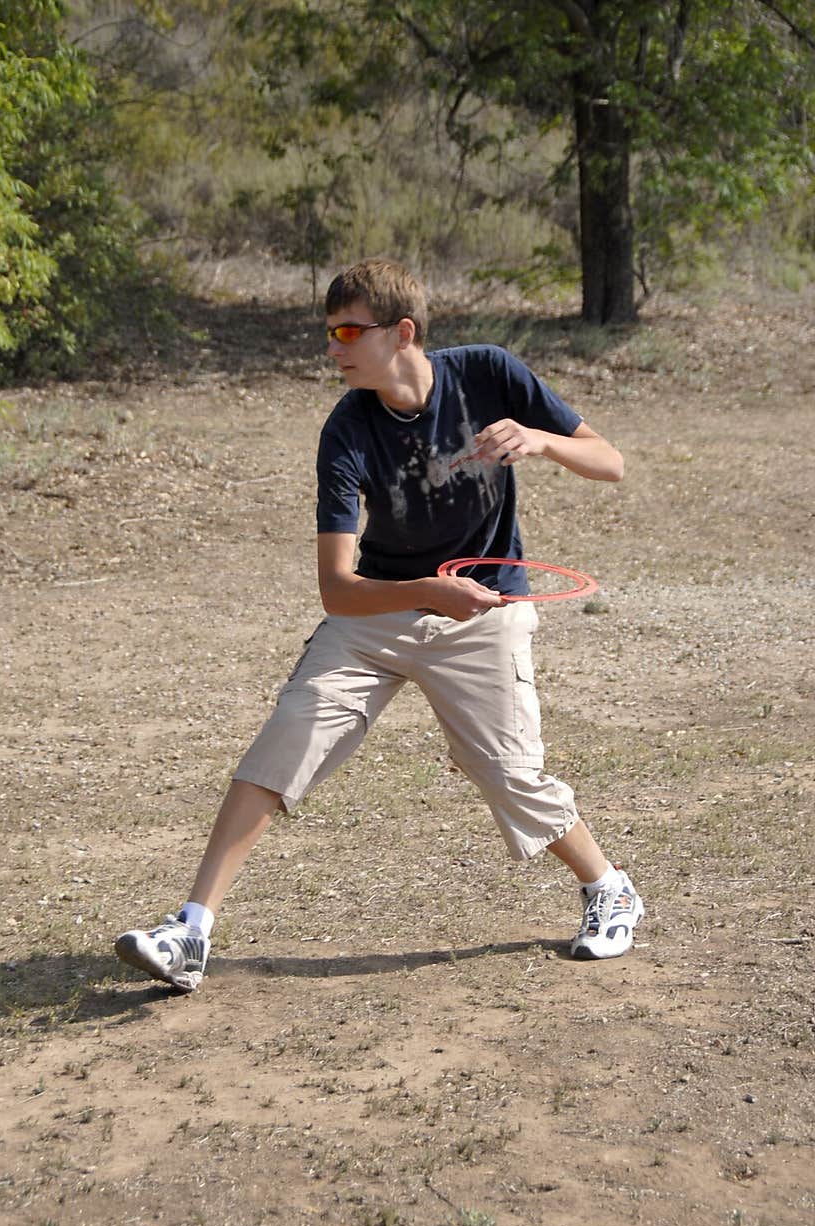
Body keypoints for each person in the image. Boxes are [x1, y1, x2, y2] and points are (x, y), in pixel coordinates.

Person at [115, 258, 644, 992]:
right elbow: (337, 589)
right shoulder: (347, 430)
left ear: (402, 333)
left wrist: (542, 439)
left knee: (507, 773)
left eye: (346, 331)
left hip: (486, 610)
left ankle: (609, 886)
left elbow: (610, 461)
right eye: (328, 331)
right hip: (386, 606)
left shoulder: (488, 373)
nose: (332, 347)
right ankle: (191, 931)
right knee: (289, 733)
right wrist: (424, 591)